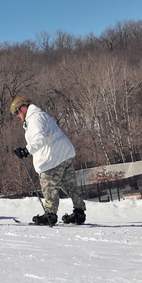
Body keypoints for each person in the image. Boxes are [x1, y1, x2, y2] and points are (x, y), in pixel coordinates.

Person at [9, 96, 87, 225]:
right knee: (69, 185)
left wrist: (26, 150)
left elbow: (40, 139)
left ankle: (50, 215)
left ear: (23, 108)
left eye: (17, 112)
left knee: (49, 184)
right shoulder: (40, 115)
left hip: (52, 157)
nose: (17, 116)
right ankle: (79, 213)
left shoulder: (34, 118)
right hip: (64, 153)